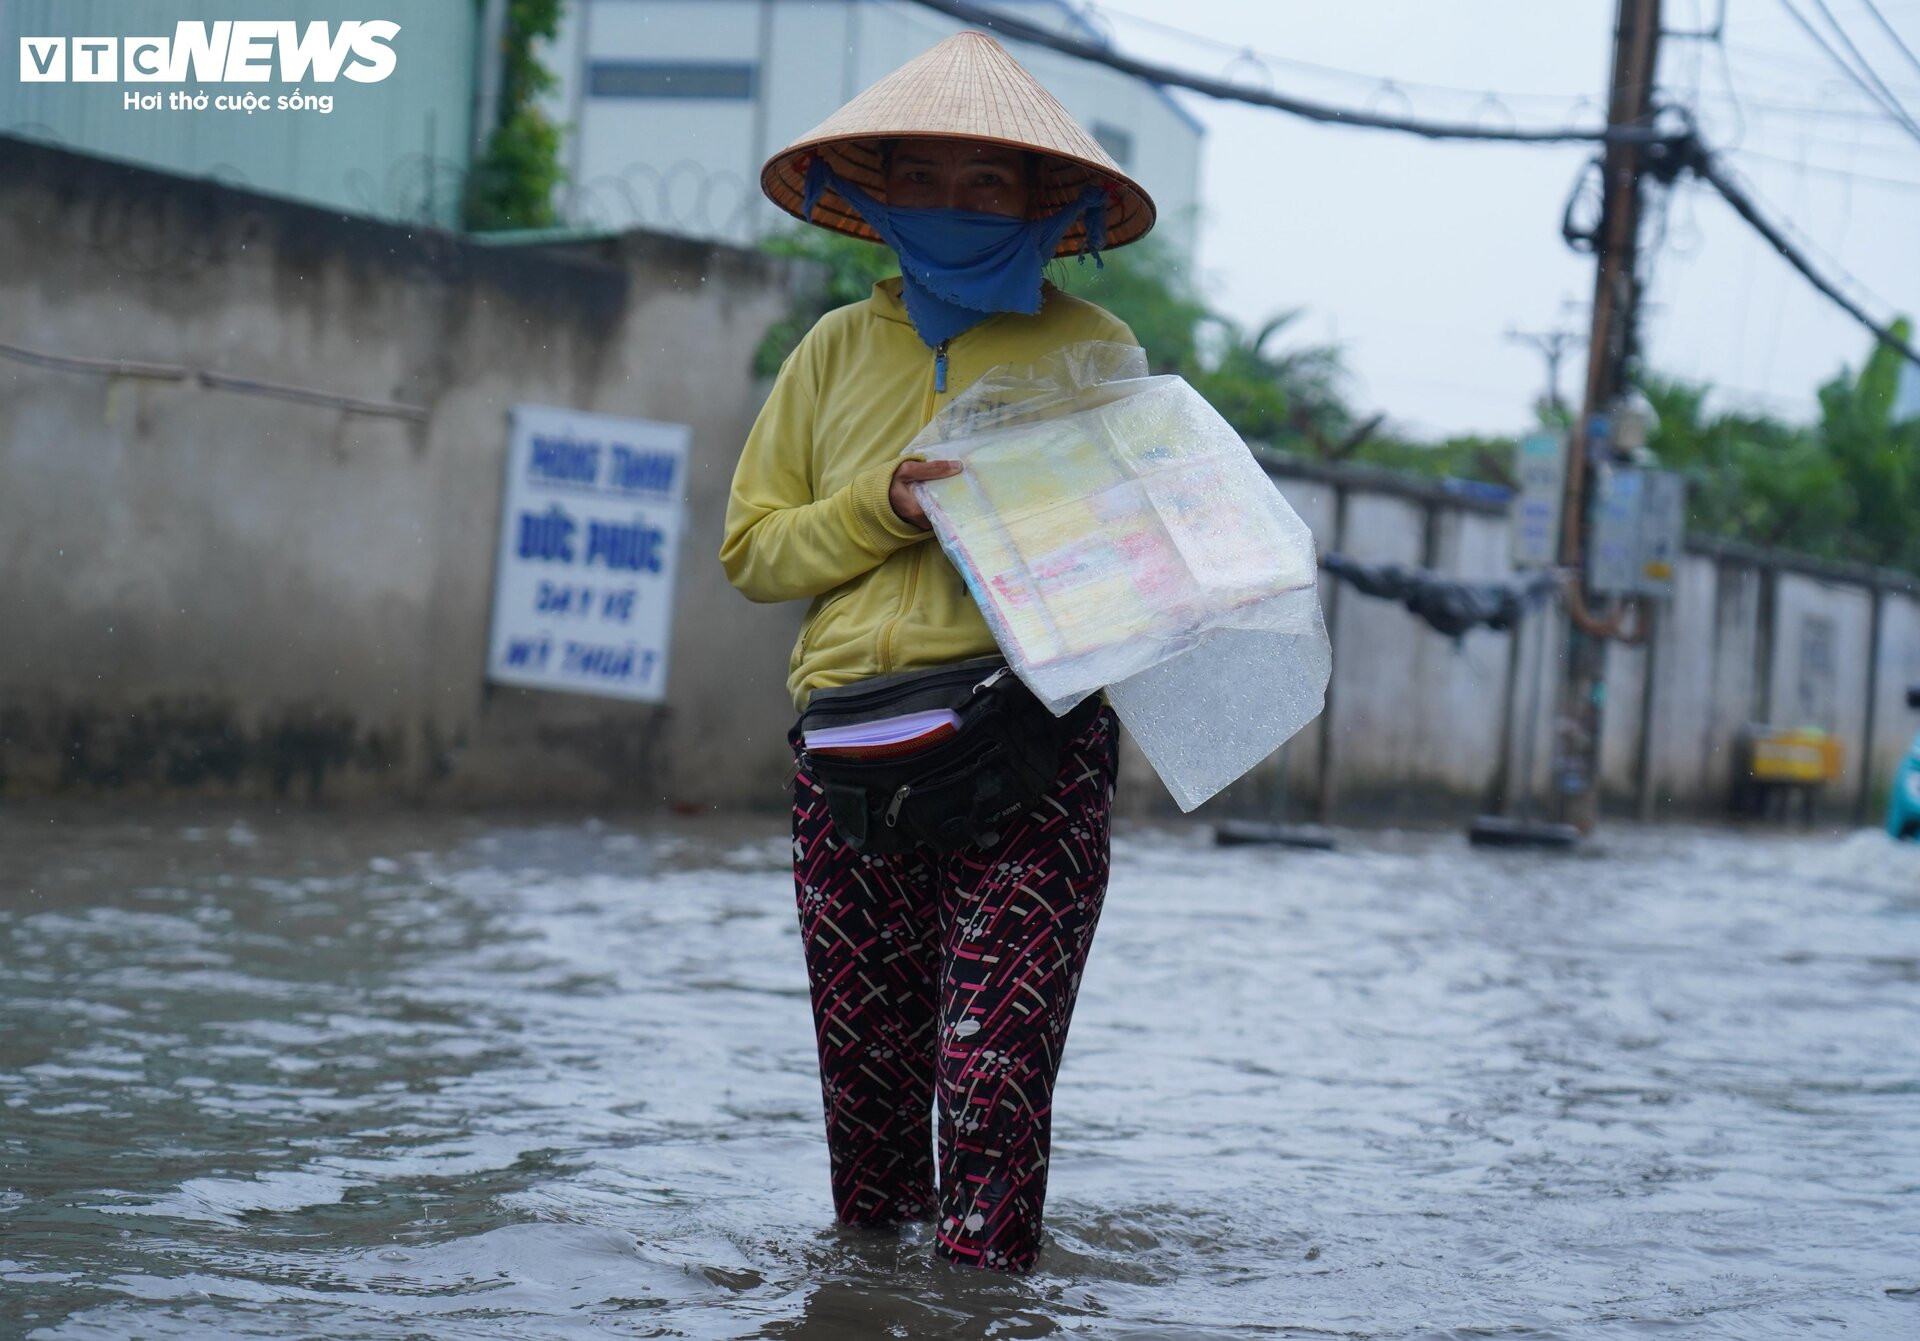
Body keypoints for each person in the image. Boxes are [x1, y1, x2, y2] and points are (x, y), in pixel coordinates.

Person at [720, 30, 1156, 1273]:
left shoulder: (1097, 355)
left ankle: (975, 1307)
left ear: (1042, 207)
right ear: (878, 197)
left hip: (1034, 746)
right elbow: (754, 555)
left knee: (991, 1077)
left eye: (988, 186)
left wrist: (1025, 534)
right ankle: (870, 1301)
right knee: (866, 1115)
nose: (954, 208)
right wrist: (888, 505)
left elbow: (1130, 557)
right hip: (852, 760)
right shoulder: (827, 356)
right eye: (926, 180)